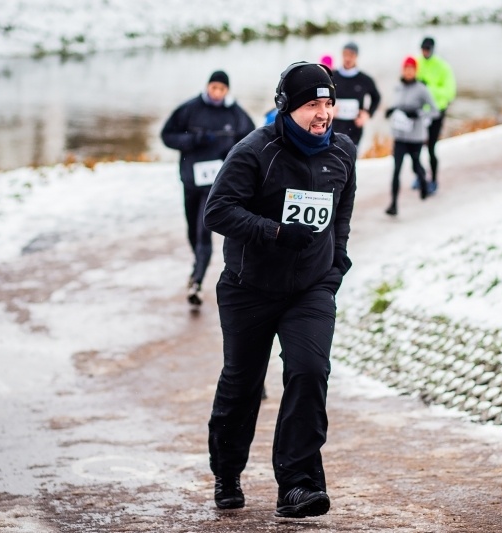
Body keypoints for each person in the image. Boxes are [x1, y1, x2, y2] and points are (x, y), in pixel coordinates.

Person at [203, 61, 356, 518]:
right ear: (287, 107)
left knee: (309, 371)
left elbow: (341, 217)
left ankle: (298, 484)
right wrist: (273, 232)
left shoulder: (342, 152)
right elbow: (218, 210)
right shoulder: (255, 151)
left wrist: (335, 267)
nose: (323, 114)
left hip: (310, 289)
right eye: (312, 105)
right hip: (249, 288)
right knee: (243, 383)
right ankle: (227, 472)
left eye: (328, 104)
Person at [161, 70, 256, 307]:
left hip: (215, 184)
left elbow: (252, 140)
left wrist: (231, 152)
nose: (217, 93)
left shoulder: (235, 114)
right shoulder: (190, 109)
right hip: (191, 178)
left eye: (221, 89)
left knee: (204, 231)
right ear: (207, 87)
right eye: (214, 88)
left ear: (227, 91)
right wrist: (193, 140)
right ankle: (198, 265)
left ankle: (197, 282)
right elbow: (167, 136)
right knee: (192, 231)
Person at [384, 56, 439, 216]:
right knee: (396, 170)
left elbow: (434, 110)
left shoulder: (422, 89)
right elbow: (395, 105)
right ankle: (393, 204)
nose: (408, 72)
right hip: (399, 136)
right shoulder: (398, 87)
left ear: (415, 71)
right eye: (406, 69)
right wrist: (390, 111)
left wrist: (418, 114)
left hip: (415, 136)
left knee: (415, 165)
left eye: (411, 69)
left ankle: (423, 182)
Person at [415, 36, 456, 194]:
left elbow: (450, 93)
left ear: (432, 49)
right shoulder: (417, 63)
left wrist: (428, 88)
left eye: (427, 49)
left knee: (431, 148)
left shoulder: (443, 67)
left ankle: (433, 180)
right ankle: (420, 176)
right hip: (420, 113)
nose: (425, 52)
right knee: (416, 147)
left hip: (436, 113)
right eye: (423, 49)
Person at [331, 42, 381, 147]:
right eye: (345, 54)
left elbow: (376, 98)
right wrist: (329, 109)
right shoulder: (332, 76)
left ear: (356, 56)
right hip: (334, 129)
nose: (348, 58)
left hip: (354, 130)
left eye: (351, 55)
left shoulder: (364, 79)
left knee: (351, 155)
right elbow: (322, 97)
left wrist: (367, 114)